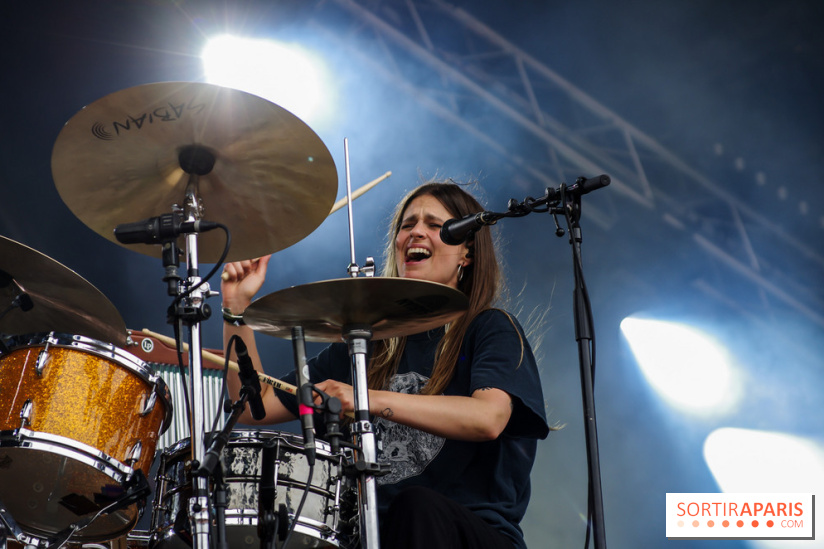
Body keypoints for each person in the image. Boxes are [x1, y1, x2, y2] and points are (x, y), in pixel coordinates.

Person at [221, 181, 550, 549]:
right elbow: (255, 406)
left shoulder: (489, 328)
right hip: (380, 535)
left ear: (466, 253)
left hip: (469, 533)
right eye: (407, 225)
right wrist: (236, 308)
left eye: (434, 224)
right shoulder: (366, 345)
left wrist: (365, 399)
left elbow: (488, 419)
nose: (416, 232)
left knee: (417, 507)